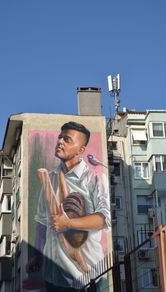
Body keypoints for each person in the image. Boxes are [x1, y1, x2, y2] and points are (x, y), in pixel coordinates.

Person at [27, 121, 111, 292]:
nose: (60, 142)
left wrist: (68, 223)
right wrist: (37, 255)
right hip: (52, 275)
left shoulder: (95, 178)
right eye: (60, 137)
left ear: (80, 150)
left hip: (86, 276)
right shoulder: (50, 179)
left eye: (67, 139)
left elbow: (103, 218)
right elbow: (42, 222)